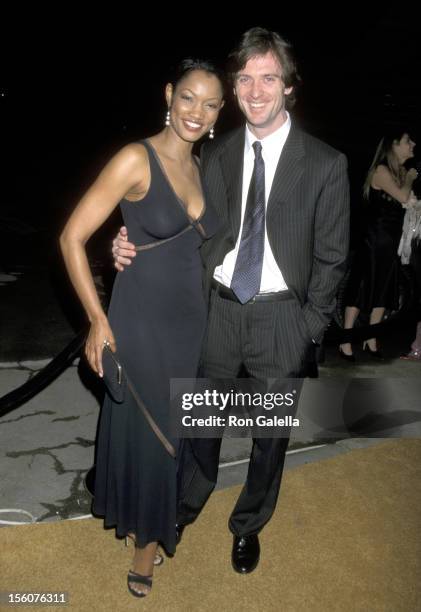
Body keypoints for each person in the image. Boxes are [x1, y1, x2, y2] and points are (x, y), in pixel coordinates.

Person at [113, 27, 350, 574]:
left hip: (280, 319)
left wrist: (306, 327)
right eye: (245, 78)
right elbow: (173, 221)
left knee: (269, 438)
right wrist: (126, 242)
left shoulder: (324, 163)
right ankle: (188, 503)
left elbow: (334, 257)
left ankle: (248, 525)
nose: (256, 90)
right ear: (234, 89)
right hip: (216, 311)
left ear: (290, 86)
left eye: (269, 78)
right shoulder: (214, 155)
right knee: (202, 425)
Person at [60, 59, 224, 597]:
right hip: (140, 320)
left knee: (175, 431)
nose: (196, 112)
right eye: (189, 98)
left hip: (191, 324)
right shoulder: (137, 157)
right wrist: (98, 319)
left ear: (219, 114)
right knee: (156, 437)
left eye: (210, 104)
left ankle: (147, 515)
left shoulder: (206, 167)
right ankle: (146, 548)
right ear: (169, 95)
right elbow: (71, 238)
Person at [339, 131, 417, 361]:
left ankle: (370, 339)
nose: (413, 144)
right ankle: (345, 341)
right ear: (393, 146)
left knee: (383, 290)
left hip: (391, 241)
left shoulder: (400, 172)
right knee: (363, 288)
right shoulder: (382, 170)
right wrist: (411, 178)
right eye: (407, 141)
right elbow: (403, 197)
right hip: (374, 239)